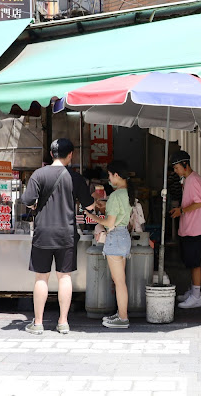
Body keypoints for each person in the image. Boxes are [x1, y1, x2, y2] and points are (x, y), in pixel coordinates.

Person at [21, 139, 93, 335]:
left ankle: (37, 323)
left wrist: (34, 205)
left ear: (51, 155)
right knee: (64, 277)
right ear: (71, 155)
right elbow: (89, 205)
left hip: (43, 233)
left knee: (41, 278)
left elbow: (27, 200)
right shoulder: (76, 178)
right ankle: (63, 322)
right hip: (66, 234)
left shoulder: (38, 174)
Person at [86, 160, 134, 329]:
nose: (108, 178)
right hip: (124, 237)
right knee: (121, 281)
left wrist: (92, 216)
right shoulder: (127, 193)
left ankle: (123, 318)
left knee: (119, 282)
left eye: (109, 175)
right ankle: (121, 314)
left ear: (116, 175)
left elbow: (109, 223)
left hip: (115, 238)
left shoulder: (115, 196)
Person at [169, 150, 201, 309]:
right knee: (190, 261)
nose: (175, 170)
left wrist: (182, 211)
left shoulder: (193, 180)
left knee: (195, 263)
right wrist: (181, 209)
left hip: (195, 228)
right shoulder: (188, 179)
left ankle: (196, 297)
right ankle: (193, 291)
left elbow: (200, 202)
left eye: (177, 167)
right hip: (190, 226)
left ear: (185, 164)